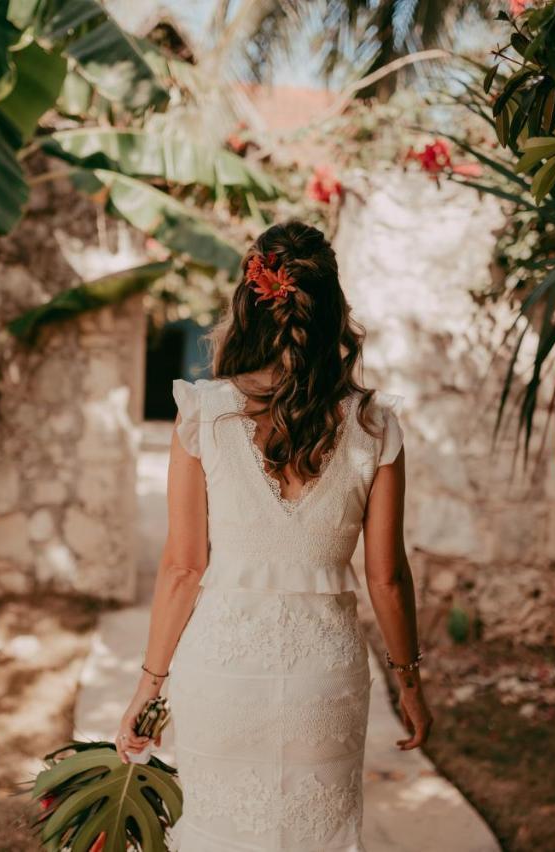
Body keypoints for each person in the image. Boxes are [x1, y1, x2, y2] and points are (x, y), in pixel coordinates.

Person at [114, 220, 430, 851]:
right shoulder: (373, 425)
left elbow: (182, 568)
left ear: (248, 307)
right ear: (335, 310)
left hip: (221, 669)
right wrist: (409, 683)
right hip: (326, 674)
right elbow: (386, 577)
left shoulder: (203, 414)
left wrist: (147, 692)